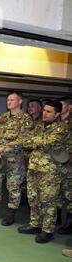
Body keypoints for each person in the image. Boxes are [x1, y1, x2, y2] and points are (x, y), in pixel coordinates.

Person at [16, 100, 69, 243]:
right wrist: (35, 141)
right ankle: (35, 224)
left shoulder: (61, 128)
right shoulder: (39, 125)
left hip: (50, 171)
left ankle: (47, 230)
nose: (44, 114)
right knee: (33, 197)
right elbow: (26, 141)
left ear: (57, 114)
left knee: (48, 201)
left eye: (49, 112)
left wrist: (35, 141)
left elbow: (47, 143)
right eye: (44, 110)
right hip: (34, 167)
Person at [0, 92, 33, 226]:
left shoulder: (25, 119)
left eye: (12, 100)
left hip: (14, 160)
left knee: (13, 187)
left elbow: (24, 140)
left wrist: (3, 149)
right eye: (8, 100)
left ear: (20, 102)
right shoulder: (2, 117)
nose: (9, 102)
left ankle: (11, 213)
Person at [20, 98, 43, 205]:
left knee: (35, 179)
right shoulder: (25, 120)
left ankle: (34, 201)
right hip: (23, 154)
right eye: (29, 106)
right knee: (23, 177)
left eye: (33, 106)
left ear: (40, 108)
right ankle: (24, 197)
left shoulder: (43, 122)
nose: (30, 108)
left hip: (36, 156)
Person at [57, 96, 72, 234]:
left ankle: (69, 223)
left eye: (62, 105)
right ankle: (57, 219)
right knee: (58, 192)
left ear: (69, 107)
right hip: (57, 164)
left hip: (69, 164)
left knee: (69, 194)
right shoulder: (57, 123)